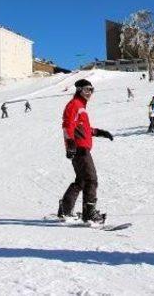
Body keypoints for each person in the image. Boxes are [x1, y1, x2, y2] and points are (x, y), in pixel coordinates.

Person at [58, 79, 114, 224]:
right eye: (87, 89)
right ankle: (89, 213)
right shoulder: (74, 105)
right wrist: (70, 145)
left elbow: (83, 128)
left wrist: (100, 132)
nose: (90, 93)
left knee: (82, 180)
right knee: (91, 179)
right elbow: (67, 126)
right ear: (79, 90)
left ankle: (65, 208)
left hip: (80, 147)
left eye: (92, 90)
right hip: (79, 148)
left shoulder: (81, 106)